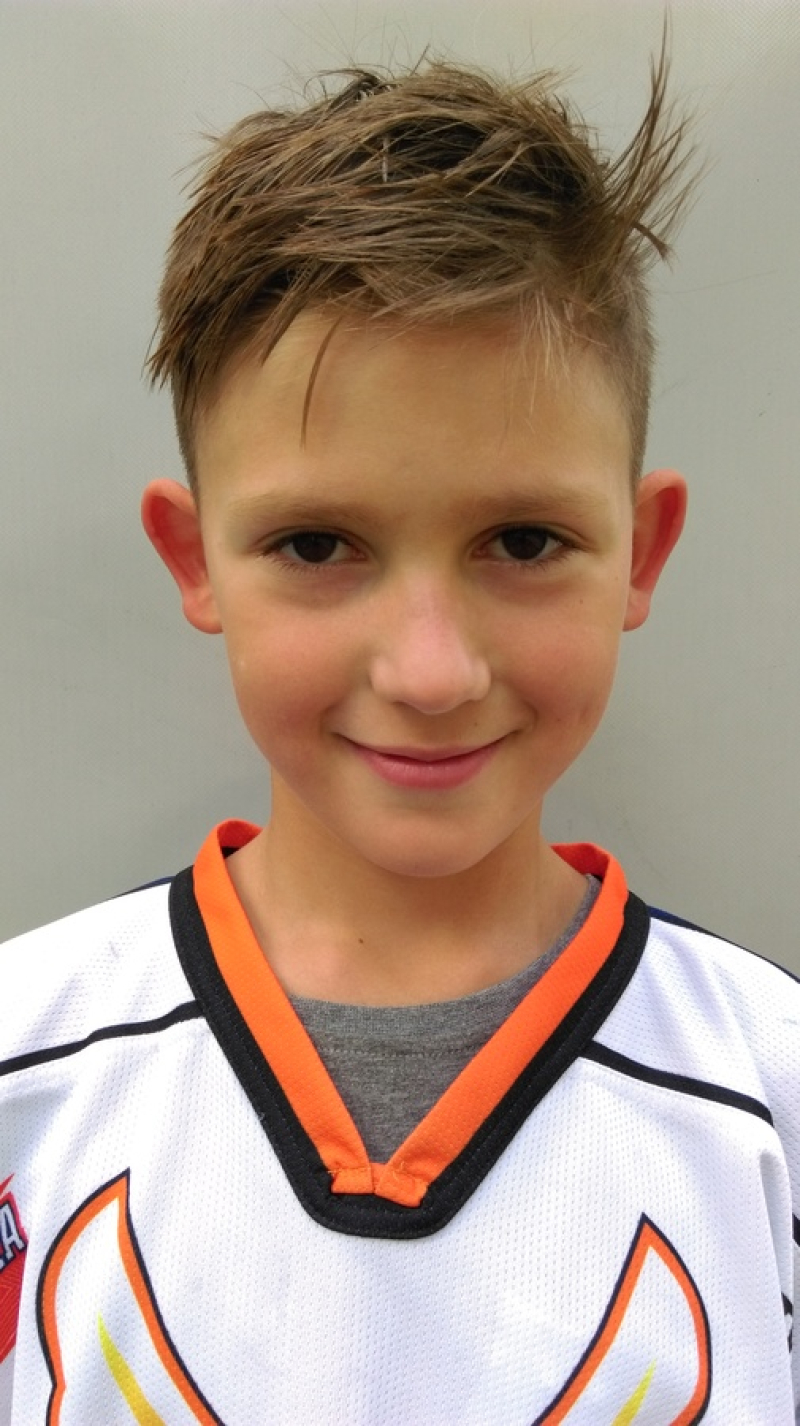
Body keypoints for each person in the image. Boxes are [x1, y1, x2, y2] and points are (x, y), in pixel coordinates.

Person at [1, 45, 798, 1425]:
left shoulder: (769, 1097)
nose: (431, 671)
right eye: (318, 544)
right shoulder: (28, 1061)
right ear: (194, 559)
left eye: (524, 541)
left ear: (641, 550)